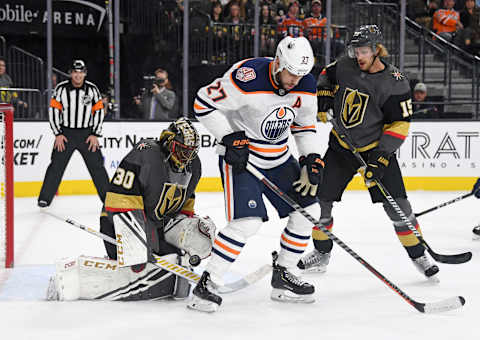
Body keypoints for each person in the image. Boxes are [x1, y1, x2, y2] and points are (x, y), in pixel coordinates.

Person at [191, 36, 323, 312]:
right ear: (277, 62)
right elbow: (202, 104)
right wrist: (230, 137)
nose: (295, 81)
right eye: (291, 73)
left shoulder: (307, 84)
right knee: (248, 222)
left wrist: (310, 158)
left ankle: (283, 274)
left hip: (279, 158)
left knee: (309, 210)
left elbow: (304, 125)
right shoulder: (247, 77)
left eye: (301, 75)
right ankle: (207, 284)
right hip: (244, 160)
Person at [298, 25, 440, 282]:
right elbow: (326, 75)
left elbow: (399, 124)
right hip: (340, 147)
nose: (358, 56)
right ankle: (321, 252)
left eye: (363, 51)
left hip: (374, 151)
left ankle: (418, 253)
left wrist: (382, 157)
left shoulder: (395, 82)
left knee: (397, 207)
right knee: (321, 201)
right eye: (355, 50)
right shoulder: (346, 65)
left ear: (377, 50)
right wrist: (326, 97)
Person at [46, 118, 217, 301]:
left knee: (178, 256)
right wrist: (142, 245)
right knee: (137, 265)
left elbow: (184, 207)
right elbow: (119, 201)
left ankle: (154, 270)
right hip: (118, 221)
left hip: (156, 225)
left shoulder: (194, 166)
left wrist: (187, 237)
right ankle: (70, 278)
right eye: (181, 151)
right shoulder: (146, 154)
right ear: (168, 143)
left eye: (190, 153)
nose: (186, 158)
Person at [38, 60, 109, 208]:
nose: (78, 75)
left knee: (97, 167)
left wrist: (95, 133)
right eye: (75, 72)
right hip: (66, 134)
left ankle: (108, 199)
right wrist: (57, 133)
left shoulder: (92, 89)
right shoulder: (61, 89)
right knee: (56, 166)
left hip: (87, 135)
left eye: (81, 72)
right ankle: (44, 198)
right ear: (71, 73)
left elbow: (98, 112)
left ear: (85, 73)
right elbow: (54, 111)